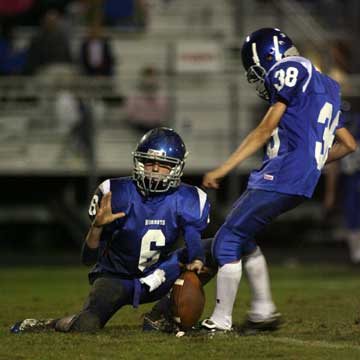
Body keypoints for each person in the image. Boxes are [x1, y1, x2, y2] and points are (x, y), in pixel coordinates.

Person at [200, 28, 357, 333]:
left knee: (227, 239)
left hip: (283, 172)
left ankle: (220, 321)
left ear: (269, 56)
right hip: (304, 177)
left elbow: (264, 129)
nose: (258, 77)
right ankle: (263, 311)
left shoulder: (289, 67)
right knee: (242, 238)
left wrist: (223, 168)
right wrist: (312, 161)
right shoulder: (328, 85)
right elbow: (349, 143)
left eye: (257, 69)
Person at [11, 127, 213, 334]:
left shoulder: (188, 198)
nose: (153, 170)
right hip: (117, 279)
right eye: (148, 162)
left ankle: (160, 315)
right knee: (86, 325)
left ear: (176, 168)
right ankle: (52, 323)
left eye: (163, 165)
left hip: (160, 273)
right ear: (138, 162)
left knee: (215, 247)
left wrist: (197, 258)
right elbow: (89, 259)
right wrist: (97, 227)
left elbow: (192, 236)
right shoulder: (117, 194)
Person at [125, 65, 170, 133]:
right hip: (139, 125)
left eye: (152, 76)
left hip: (156, 125)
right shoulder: (135, 92)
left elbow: (164, 110)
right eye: (147, 76)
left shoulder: (161, 93)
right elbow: (130, 110)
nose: (149, 79)